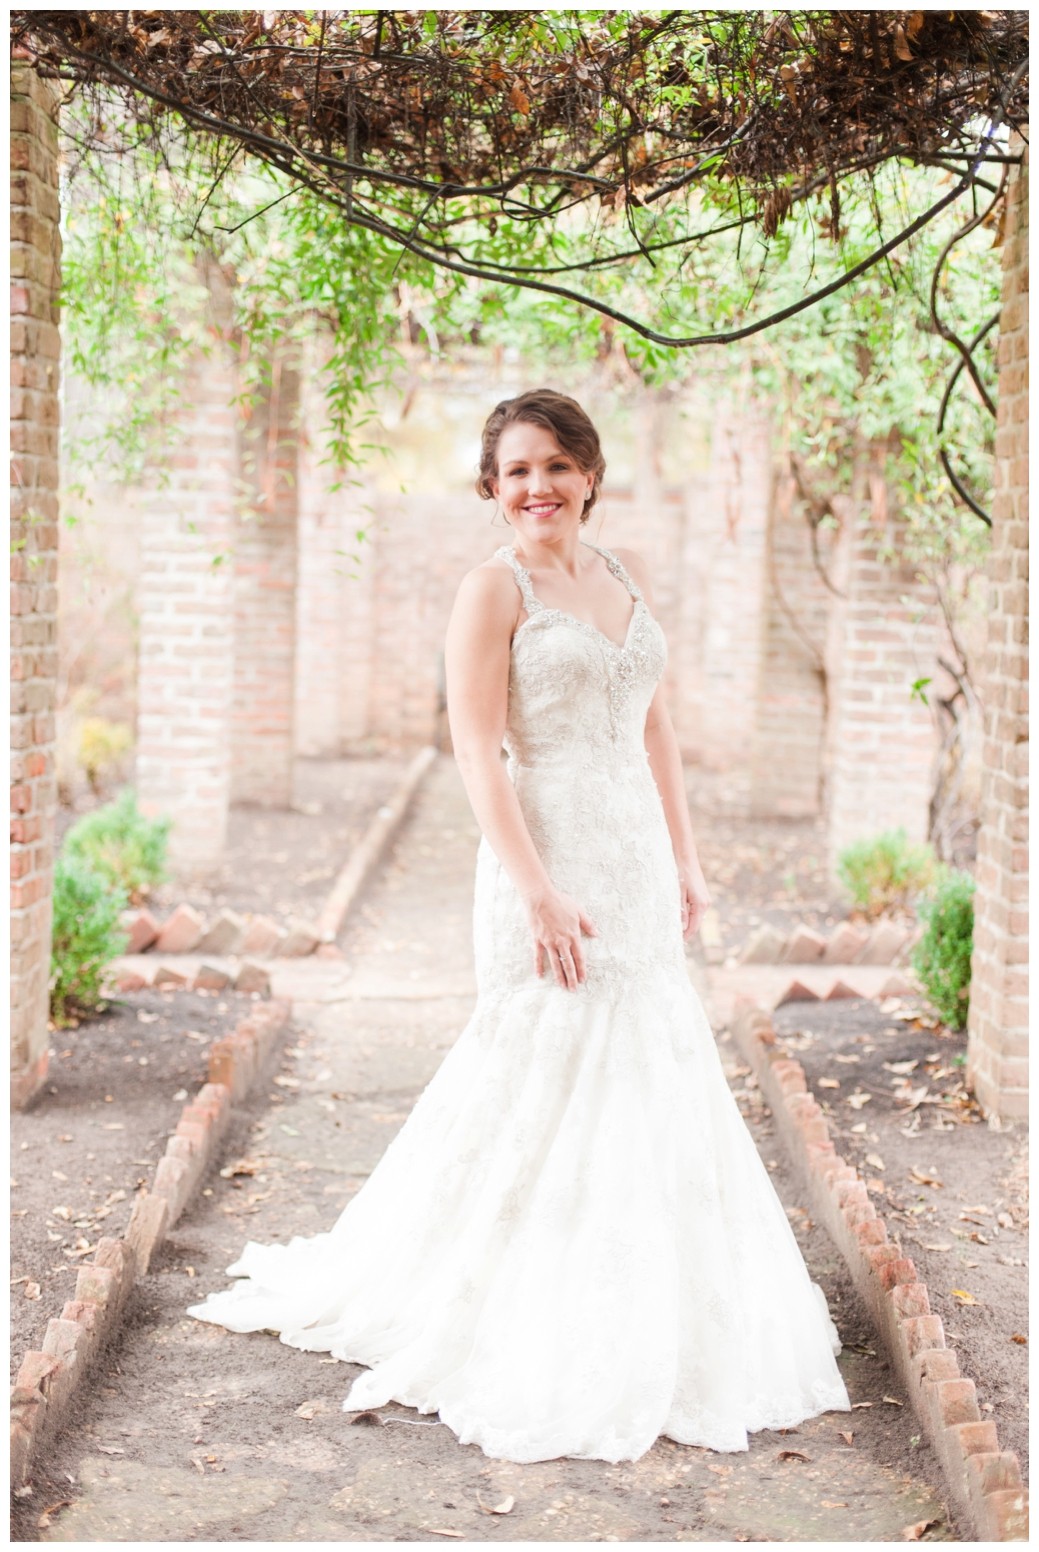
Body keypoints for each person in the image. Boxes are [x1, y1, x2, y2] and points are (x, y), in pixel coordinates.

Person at [187, 388, 852, 1463]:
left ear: (588, 472)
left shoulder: (619, 575)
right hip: (543, 855)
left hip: (631, 856)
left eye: (553, 465)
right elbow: (476, 752)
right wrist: (536, 886)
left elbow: (659, 725)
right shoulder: (488, 590)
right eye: (514, 472)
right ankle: (525, 1300)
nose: (535, 487)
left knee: (648, 1060)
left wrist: (684, 856)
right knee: (546, 1064)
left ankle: (661, 1304)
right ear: (491, 491)